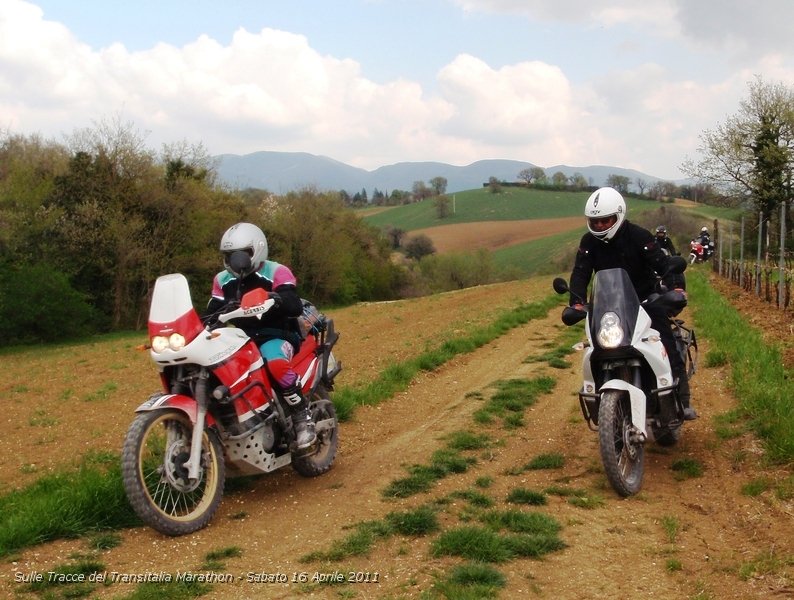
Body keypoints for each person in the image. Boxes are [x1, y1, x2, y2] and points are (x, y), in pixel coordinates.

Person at [568, 187, 696, 420]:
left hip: (645, 299)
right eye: (594, 221)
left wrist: (676, 287)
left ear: (618, 215)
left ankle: (682, 397)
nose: (599, 226)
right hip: (609, 305)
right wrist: (576, 302)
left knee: (664, 338)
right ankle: (597, 396)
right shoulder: (588, 242)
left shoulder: (638, 236)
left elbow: (663, 264)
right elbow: (580, 273)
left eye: (605, 220)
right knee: (597, 347)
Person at [206, 222, 317, 449]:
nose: (236, 261)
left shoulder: (276, 271)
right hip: (241, 340)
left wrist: (274, 297)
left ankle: (301, 416)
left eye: (242, 255)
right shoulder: (221, 280)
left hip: (277, 335)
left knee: (274, 362)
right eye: (230, 256)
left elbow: (294, 304)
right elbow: (211, 311)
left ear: (257, 249)